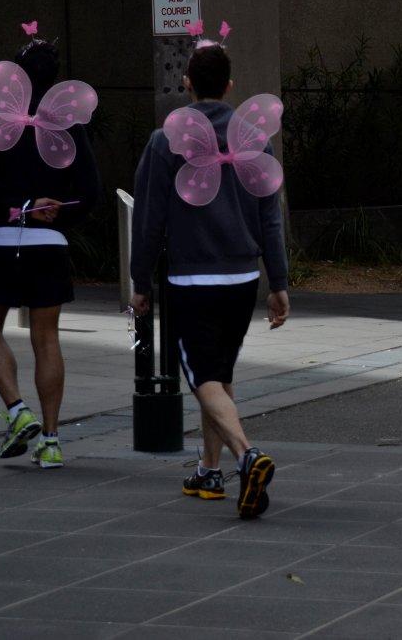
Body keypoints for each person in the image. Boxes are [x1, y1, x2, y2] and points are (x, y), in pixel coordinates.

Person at [130, 37, 289, 520]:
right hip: (241, 278)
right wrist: (278, 282)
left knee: (202, 378)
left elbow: (149, 218)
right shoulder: (253, 139)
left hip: (191, 281)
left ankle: (246, 456)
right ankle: (209, 469)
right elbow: (271, 216)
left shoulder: (166, 140)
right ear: (230, 86)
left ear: (187, 84)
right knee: (217, 376)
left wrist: (139, 281)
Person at [0, 33, 101, 469]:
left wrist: (15, 207)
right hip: (48, 244)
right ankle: (53, 440)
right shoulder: (69, 126)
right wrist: (56, 216)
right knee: (47, 339)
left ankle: (18, 412)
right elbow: (90, 192)